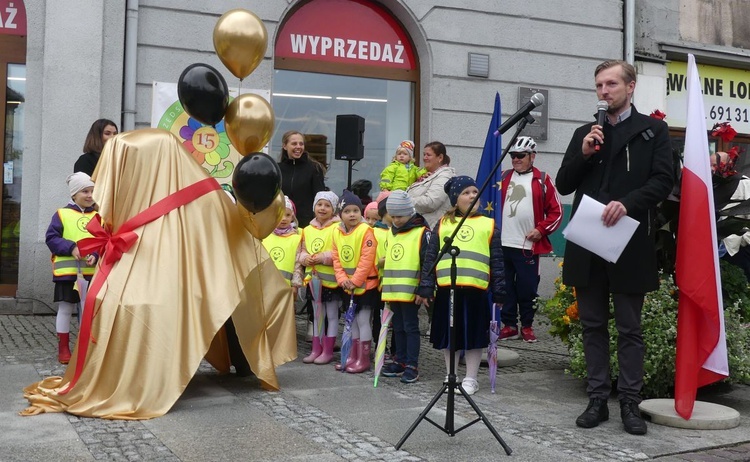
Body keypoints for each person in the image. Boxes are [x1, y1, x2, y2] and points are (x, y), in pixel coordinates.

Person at [22, 129, 297, 419]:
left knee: (225, 301)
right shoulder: (183, 201)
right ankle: (238, 362)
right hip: (212, 283)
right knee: (225, 299)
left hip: (210, 284)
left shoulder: (188, 200)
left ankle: (240, 362)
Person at [556, 60, 673, 435]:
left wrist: (630, 202)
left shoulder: (652, 131)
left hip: (629, 240)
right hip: (588, 242)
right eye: (599, 86)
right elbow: (563, 183)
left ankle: (629, 403)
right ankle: (596, 400)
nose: (604, 92)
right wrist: (586, 153)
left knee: (629, 327)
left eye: (611, 84)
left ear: (631, 86)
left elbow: (662, 181)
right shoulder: (585, 134)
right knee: (592, 325)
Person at [419, 176, 505, 395]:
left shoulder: (488, 224)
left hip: (475, 290)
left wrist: (500, 290)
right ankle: (451, 375)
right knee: (451, 336)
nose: (472, 196)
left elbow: (497, 260)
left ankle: (471, 378)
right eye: (466, 193)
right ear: (455, 200)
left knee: (474, 336)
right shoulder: (443, 224)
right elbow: (431, 257)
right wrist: (427, 285)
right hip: (448, 289)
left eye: (475, 192)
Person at [498, 136, 562, 342]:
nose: (516, 159)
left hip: (527, 246)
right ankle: (508, 325)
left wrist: (541, 230)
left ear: (532, 156)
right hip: (502, 243)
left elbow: (557, 211)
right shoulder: (503, 176)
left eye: (520, 155)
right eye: (512, 156)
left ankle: (527, 325)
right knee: (505, 287)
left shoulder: (542, 179)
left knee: (527, 288)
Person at [45, 172, 99, 364]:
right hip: (67, 274)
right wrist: (70, 247)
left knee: (88, 311)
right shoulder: (61, 214)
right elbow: (52, 238)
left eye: (92, 191)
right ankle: (64, 349)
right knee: (66, 309)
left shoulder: (97, 216)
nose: (90, 195)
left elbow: (102, 242)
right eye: (85, 191)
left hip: (91, 275)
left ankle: (85, 348)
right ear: (74, 194)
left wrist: (96, 254)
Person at [380, 191, 431, 383]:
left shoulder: (421, 233)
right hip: (394, 290)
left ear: (410, 213)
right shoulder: (391, 232)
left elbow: (427, 262)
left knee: (411, 327)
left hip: (411, 291)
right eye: (392, 216)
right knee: (398, 327)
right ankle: (399, 360)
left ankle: (412, 364)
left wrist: (422, 289)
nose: (396, 220)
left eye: (399, 216)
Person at [332, 190, 378, 373]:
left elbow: (367, 259)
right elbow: (336, 258)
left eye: (356, 211)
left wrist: (356, 280)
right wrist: (342, 279)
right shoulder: (337, 233)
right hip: (348, 286)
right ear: (340, 215)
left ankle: (363, 358)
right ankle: (353, 355)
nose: (352, 214)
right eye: (347, 211)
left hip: (365, 286)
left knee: (363, 320)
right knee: (352, 322)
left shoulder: (366, 231)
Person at [299, 190, 341, 365]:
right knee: (317, 316)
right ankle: (316, 348)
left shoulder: (337, 228)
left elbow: (339, 251)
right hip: (313, 282)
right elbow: (301, 251)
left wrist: (323, 257)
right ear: (314, 207)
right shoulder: (307, 230)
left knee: (331, 315)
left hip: (331, 282)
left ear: (334, 209)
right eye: (319, 204)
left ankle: (328, 350)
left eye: (327, 205)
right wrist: (305, 258)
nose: (322, 208)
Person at [277, 130, 327, 228]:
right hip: (281, 223)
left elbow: (319, 199)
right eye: (294, 144)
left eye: (301, 144)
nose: (298, 147)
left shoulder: (314, 169)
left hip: (306, 225)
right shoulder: (276, 169)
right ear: (284, 146)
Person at [406, 142, 456, 229]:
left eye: (428, 155)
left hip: (430, 230)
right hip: (419, 228)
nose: (424, 158)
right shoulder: (428, 175)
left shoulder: (445, 176)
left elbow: (431, 202)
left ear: (440, 157)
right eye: (424, 154)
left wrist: (403, 202)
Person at [263, 196, 303, 298]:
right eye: (279, 214)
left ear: (292, 217)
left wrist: (295, 285)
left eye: (288, 215)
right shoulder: (264, 236)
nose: (284, 219)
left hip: (286, 289)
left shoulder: (296, 239)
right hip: (265, 287)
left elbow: (297, 265)